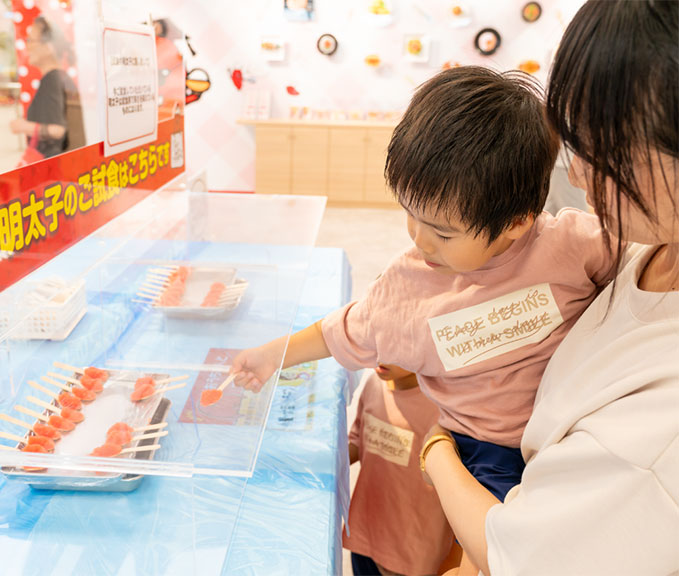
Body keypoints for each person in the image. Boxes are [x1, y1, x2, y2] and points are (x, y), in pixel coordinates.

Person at [232, 66, 617, 574]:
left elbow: (638, 261)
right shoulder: (408, 286)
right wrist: (270, 355)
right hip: (480, 449)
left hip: (565, 436)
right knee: (501, 553)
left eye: (443, 231)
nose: (419, 239)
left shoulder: (571, 244)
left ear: (519, 220)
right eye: (409, 213)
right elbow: (343, 330)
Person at [419, 2, 679, 575]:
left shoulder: (657, 438)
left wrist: (435, 447)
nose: (579, 173)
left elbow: (520, 555)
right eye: (572, 140)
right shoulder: (633, 249)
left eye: (606, 148)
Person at [346, 364, 458, 576]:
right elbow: (358, 441)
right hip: (365, 537)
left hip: (411, 553)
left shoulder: (444, 408)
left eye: (393, 344)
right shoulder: (374, 385)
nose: (381, 355)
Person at [9, 16, 83, 160]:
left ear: (49, 47)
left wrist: (24, 126)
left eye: (31, 40)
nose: (27, 46)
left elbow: (58, 130)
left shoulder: (52, 80)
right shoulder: (61, 78)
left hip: (51, 165)